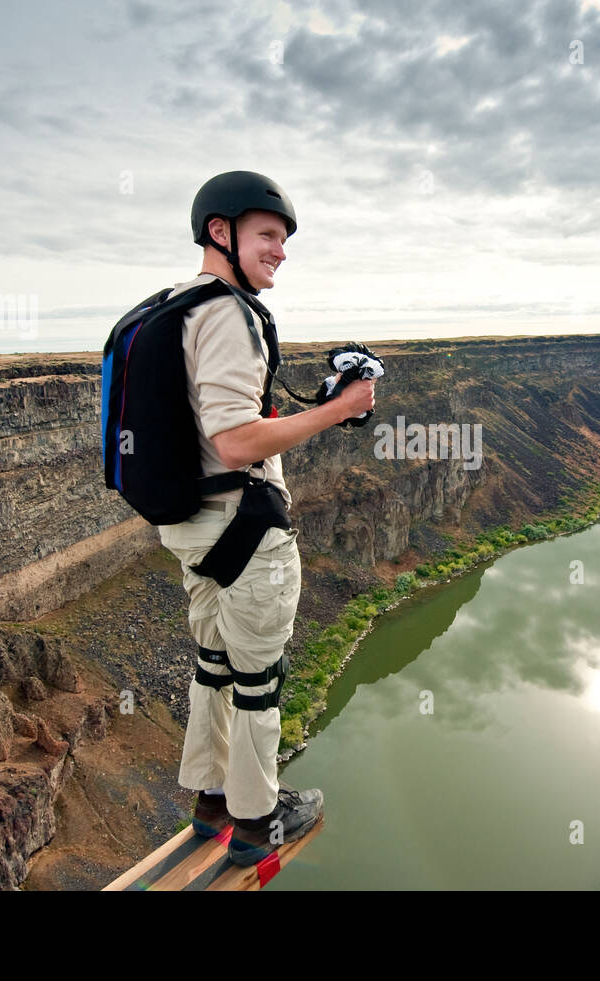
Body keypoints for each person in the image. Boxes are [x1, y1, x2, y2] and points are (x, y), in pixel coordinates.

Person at [157, 171, 375, 866]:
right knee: (260, 678)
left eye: (283, 239)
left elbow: (206, 423)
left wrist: (311, 401)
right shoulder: (228, 313)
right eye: (268, 236)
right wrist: (340, 410)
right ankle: (257, 818)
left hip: (192, 528)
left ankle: (211, 795)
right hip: (246, 534)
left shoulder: (174, 307)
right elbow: (234, 439)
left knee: (215, 664)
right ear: (220, 232)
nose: (280, 251)